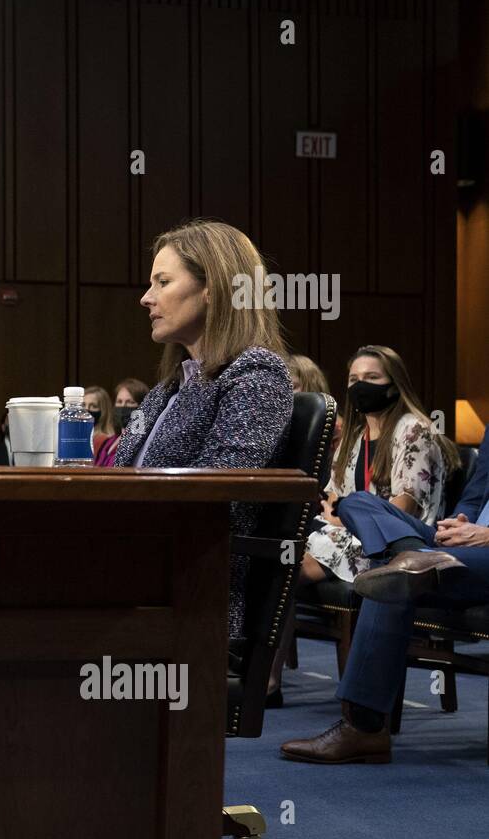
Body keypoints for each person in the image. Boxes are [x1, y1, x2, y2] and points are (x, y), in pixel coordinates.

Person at [114, 219, 293, 638]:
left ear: (212, 288)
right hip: (136, 567)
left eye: (162, 282)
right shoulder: (170, 387)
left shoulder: (257, 375)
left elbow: (217, 495)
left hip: (191, 587)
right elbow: (120, 475)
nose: (146, 298)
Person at [281, 424, 489, 763]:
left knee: (392, 574)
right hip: (459, 546)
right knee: (357, 503)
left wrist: (485, 535)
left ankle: (363, 728)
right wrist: (456, 524)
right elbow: (477, 492)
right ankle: (410, 552)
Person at [300, 346, 457, 585]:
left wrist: (347, 517)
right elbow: (332, 498)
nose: (361, 385)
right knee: (282, 552)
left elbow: (404, 508)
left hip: (395, 537)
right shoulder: (354, 436)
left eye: (372, 378)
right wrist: (342, 517)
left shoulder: (414, 429)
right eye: (354, 379)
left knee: (291, 571)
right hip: (347, 531)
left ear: (395, 384)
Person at [94, 378, 148, 467]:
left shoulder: (141, 444)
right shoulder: (110, 441)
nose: (123, 407)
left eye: (130, 402)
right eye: (119, 402)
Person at [83, 386, 115, 456]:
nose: (86, 409)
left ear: (104, 411)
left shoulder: (102, 440)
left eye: (93, 406)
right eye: (83, 405)